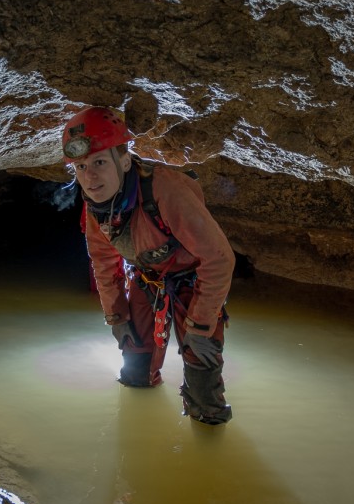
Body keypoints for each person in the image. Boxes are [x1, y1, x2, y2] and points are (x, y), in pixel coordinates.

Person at [61, 106, 234, 425]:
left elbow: (219, 260)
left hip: (196, 281)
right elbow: (104, 264)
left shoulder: (166, 190)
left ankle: (207, 425)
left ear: (124, 161)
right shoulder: (97, 210)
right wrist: (116, 317)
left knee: (203, 379)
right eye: (81, 166)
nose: (90, 176)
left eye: (99, 162)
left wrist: (201, 324)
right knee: (134, 369)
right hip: (149, 278)